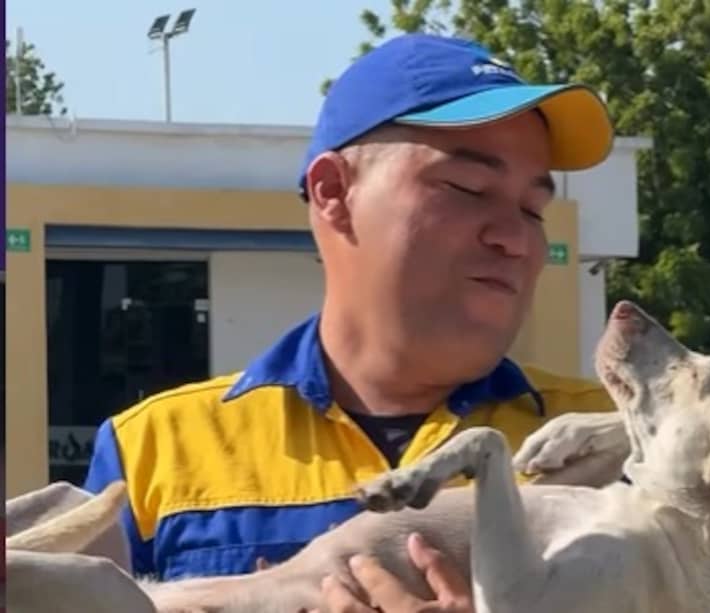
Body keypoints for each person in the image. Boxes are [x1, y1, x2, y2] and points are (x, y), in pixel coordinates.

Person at [83, 32, 617, 610]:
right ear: (334, 192)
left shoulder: (623, 448)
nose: (514, 238)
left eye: (532, 210)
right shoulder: (151, 454)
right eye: (468, 189)